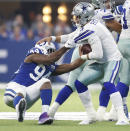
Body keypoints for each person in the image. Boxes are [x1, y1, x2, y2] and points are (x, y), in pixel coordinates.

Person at [36, 2, 129, 126]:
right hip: (100, 62)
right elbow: (72, 36)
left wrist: (82, 57)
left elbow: (98, 54)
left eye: (78, 16)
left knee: (109, 83)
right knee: (79, 84)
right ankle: (91, 115)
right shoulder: (87, 25)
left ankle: (122, 116)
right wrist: (52, 38)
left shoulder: (90, 29)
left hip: (112, 59)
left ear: (85, 16)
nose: (75, 19)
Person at [4, 41, 85, 124]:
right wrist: (67, 46)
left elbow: (71, 66)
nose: (53, 53)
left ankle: (44, 115)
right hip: (13, 89)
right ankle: (19, 108)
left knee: (46, 82)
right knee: (20, 92)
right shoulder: (32, 57)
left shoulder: (51, 67)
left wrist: (85, 57)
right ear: (44, 50)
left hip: (27, 97)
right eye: (51, 51)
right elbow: (51, 58)